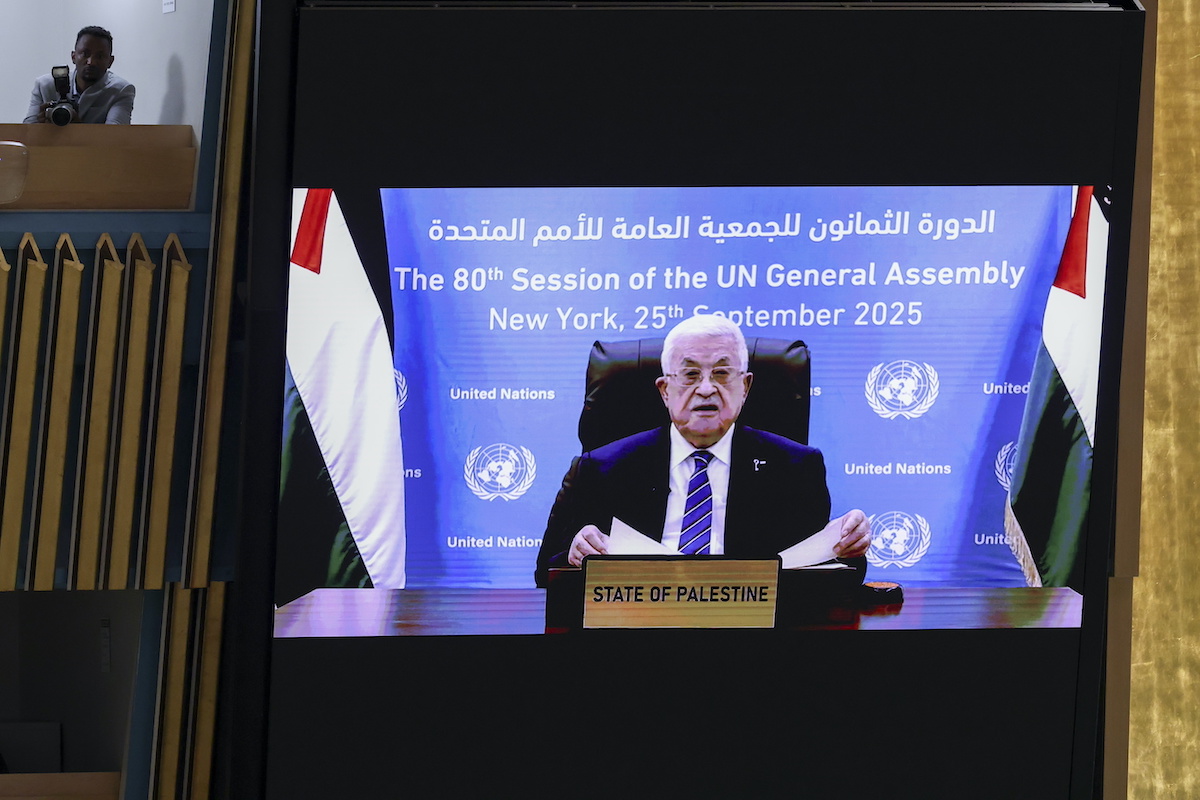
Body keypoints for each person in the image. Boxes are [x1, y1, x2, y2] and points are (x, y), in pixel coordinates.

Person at [535, 313, 870, 587]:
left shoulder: (795, 468)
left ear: (745, 387)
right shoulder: (601, 469)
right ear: (665, 390)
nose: (707, 388)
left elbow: (826, 576)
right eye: (690, 374)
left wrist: (849, 547)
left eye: (722, 373)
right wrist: (575, 553)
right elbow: (546, 574)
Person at [24, 26, 134, 125]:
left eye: (99, 56)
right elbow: (26, 133)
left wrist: (78, 128)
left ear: (110, 61)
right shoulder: (45, 85)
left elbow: (115, 136)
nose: (91, 62)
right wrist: (40, 126)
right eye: (85, 54)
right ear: (73, 56)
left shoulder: (120, 90)